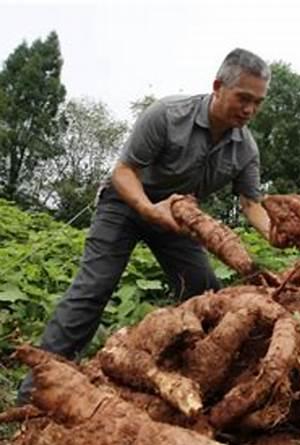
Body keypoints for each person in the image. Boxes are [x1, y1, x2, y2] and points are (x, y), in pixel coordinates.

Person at [17, 48, 272, 403]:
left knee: (205, 292)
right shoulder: (167, 115)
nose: (249, 110)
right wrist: (147, 208)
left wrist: (278, 234)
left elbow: (251, 203)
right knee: (94, 288)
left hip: (178, 217)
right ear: (218, 86)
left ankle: (201, 379)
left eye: (257, 102)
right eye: (243, 98)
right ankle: (36, 389)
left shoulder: (245, 149)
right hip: (124, 203)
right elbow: (123, 172)